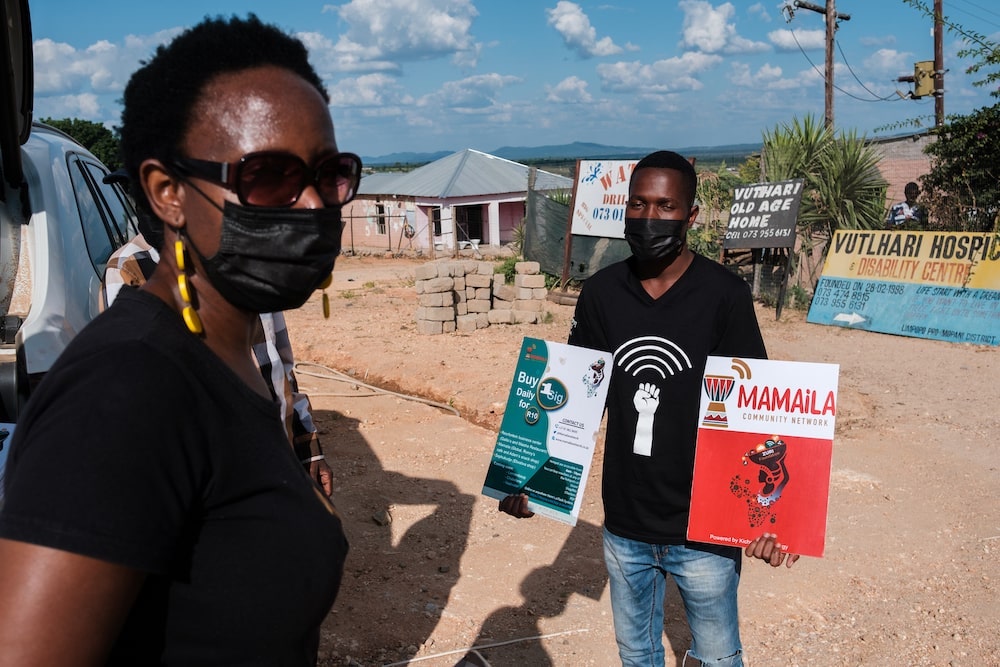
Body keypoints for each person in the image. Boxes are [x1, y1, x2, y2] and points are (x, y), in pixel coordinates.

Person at [0, 15, 361, 665]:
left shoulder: (231, 356)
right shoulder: (125, 391)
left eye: (329, 173)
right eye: (270, 176)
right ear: (168, 193)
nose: (313, 205)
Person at [500, 151, 797, 667]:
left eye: (665, 205)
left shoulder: (723, 294)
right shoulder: (600, 293)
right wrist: (532, 478)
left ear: (691, 215)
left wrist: (773, 520)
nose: (649, 217)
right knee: (636, 654)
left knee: (719, 656)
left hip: (704, 528)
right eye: (638, 203)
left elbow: (758, 415)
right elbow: (577, 399)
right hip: (626, 524)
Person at [102, 231, 334, 496]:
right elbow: (137, 392)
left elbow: (278, 362)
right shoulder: (130, 267)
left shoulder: (250, 255)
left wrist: (307, 445)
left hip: (275, 454)